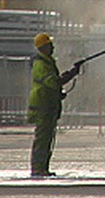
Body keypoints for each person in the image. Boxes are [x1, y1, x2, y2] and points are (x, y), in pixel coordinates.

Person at [28, 32, 77, 178]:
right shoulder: (41, 64)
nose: (53, 47)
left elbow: (52, 84)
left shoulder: (46, 62)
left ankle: (43, 167)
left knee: (47, 138)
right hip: (43, 105)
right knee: (42, 138)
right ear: (44, 47)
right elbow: (52, 82)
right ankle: (38, 168)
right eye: (50, 45)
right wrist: (70, 75)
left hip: (48, 103)